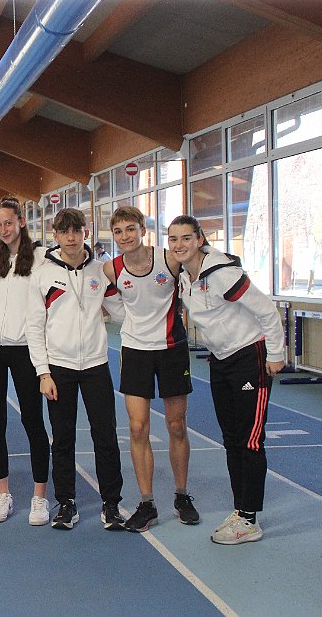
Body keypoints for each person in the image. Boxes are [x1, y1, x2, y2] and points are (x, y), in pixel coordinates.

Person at [167, 215, 285, 545]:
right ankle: (241, 511)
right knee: (231, 439)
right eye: (173, 239)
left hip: (250, 356)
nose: (179, 245)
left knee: (250, 440)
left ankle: (249, 518)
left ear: (199, 239)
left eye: (186, 238)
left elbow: (266, 310)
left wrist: (276, 353)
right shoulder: (184, 278)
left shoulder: (223, 273)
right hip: (220, 360)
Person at [26, 208, 126, 531]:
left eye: (77, 231)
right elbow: (33, 327)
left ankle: (111, 503)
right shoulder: (43, 275)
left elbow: (121, 312)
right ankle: (66, 502)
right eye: (64, 232)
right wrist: (43, 373)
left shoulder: (101, 271)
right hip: (59, 368)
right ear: (56, 235)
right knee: (62, 439)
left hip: (96, 365)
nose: (71, 237)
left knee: (105, 436)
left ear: (86, 232)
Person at [105, 206, 199, 532]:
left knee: (176, 425)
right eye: (118, 232)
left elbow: (202, 261)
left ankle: (182, 496)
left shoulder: (169, 259)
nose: (125, 236)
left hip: (172, 348)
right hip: (135, 351)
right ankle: (147, 503)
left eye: (130, 229)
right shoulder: (111, 269)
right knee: (137, 428)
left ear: (142, 230)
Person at [0, 197, 51, 525]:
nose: (4, 229)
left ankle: (39, 497)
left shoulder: (41, 258)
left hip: (25, 349)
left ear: (21, 221)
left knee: (33, 420)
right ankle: (3, 495)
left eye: (9, 222)